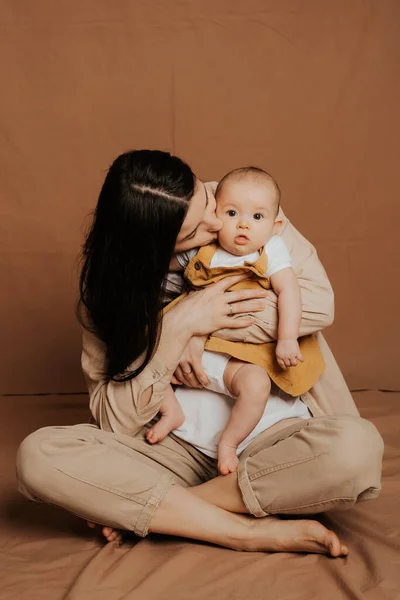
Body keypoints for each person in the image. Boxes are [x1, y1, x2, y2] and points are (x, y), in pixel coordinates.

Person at [16, 149, 384, 557]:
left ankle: (173, 509)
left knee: (356, 448)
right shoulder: (107, 293)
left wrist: (204, 325)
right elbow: (113, 419)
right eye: (192, 235)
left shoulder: (242, 202)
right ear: (152, 255)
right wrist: (175, 328)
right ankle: (242, 531)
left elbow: (317, 304)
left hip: (271, 442)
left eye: (208, 204)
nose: (217, 224)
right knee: (39, 456)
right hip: (169, 446)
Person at [146, 166, 324, 476]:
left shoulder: (271, 251)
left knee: (256, 384)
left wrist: (287, 338)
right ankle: (171, 411)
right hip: (193, 347)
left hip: (239, 352)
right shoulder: (202, 249)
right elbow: (159, 262)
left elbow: (289, 292)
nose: (243, 224)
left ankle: (228, 442)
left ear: (275, 224)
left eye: (257, 217)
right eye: (231, 213)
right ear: (216, 214)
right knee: (148, 353)